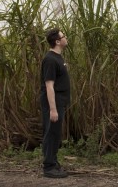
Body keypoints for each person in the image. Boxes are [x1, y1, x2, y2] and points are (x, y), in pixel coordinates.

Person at [40, 28, 70, 178]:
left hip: (60, 102)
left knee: (56, 133)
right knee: (51, 133)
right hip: (53, 103)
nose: (66, 38)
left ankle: (53, 162)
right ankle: (49, 167)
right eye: (64, 36)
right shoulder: (50, 59)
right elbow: (49, 85)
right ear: (57, 41)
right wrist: (53, 109)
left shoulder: (59, 58)